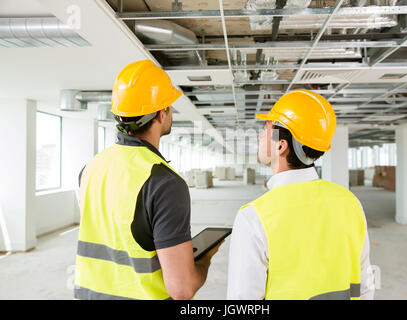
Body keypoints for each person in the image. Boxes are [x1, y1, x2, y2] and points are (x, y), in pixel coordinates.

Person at [75, 60, 221, 300]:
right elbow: (181, 289)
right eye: (170, 106)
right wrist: (204, 260)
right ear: (162, 113)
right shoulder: (164, 183)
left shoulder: (90, 168)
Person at [227, 90, 375, 300]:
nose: (260, 136)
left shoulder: (254, 217)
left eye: (266, 129)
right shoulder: (350, 203)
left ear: (280, 146)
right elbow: (365, 284)